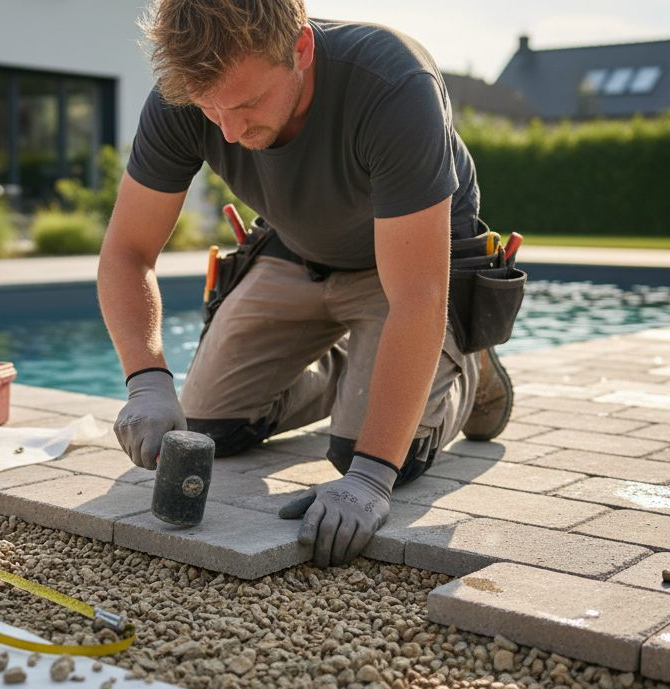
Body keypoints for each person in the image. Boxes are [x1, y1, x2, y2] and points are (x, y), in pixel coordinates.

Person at [99, 0, 514, 568]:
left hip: (409, 269)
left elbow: (417, 297)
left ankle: (469, 363)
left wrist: (371, 478)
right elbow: (127, 251)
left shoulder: (394, 84)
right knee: (209, 427)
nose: (231, 130)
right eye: (209, 109)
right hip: (296, 249)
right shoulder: (185, 94)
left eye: (247, 103)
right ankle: (359, 369)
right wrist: (145, 380)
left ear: (301, 48)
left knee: (372, 455)